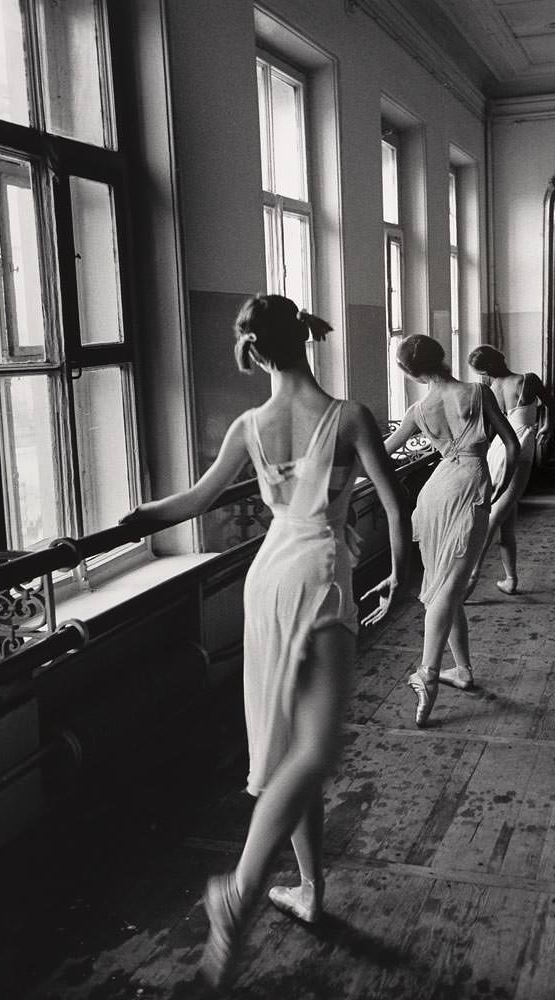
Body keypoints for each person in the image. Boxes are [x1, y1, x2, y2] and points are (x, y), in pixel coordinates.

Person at [121, 294, 412, 989]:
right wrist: (401, 583)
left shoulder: (250, 424)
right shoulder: (349, 417)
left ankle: (310, 889)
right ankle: (241, 888)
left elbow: (191, 502)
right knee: (318, 749)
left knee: (292, 748)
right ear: (305, 337)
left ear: (256, 352)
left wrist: (129, 523)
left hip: (269, 579)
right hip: (319, 577)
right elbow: (394, 509)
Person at [384, 334, 519, 727]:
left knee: (447, 583)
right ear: (442, 356)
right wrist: (501, 484)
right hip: (471, 484)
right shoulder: (477, 392)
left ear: (410, 372)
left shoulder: (418, 409)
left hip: (435, 492)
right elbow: (511, 445)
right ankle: (428, 673)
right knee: (448, 586)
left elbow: (380, 454)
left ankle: (462, 670)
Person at [464, 345, 553, 598]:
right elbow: (551, 403)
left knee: (503, 521)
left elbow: (489, 429)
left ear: (485, 370)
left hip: (500, 449)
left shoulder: (491, 390)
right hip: (519, 450)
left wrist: (546, 424)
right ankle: (472, 578)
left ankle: (510, 579)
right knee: (495, 520)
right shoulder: (527, 380)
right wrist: (547, 424)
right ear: (501, 357)